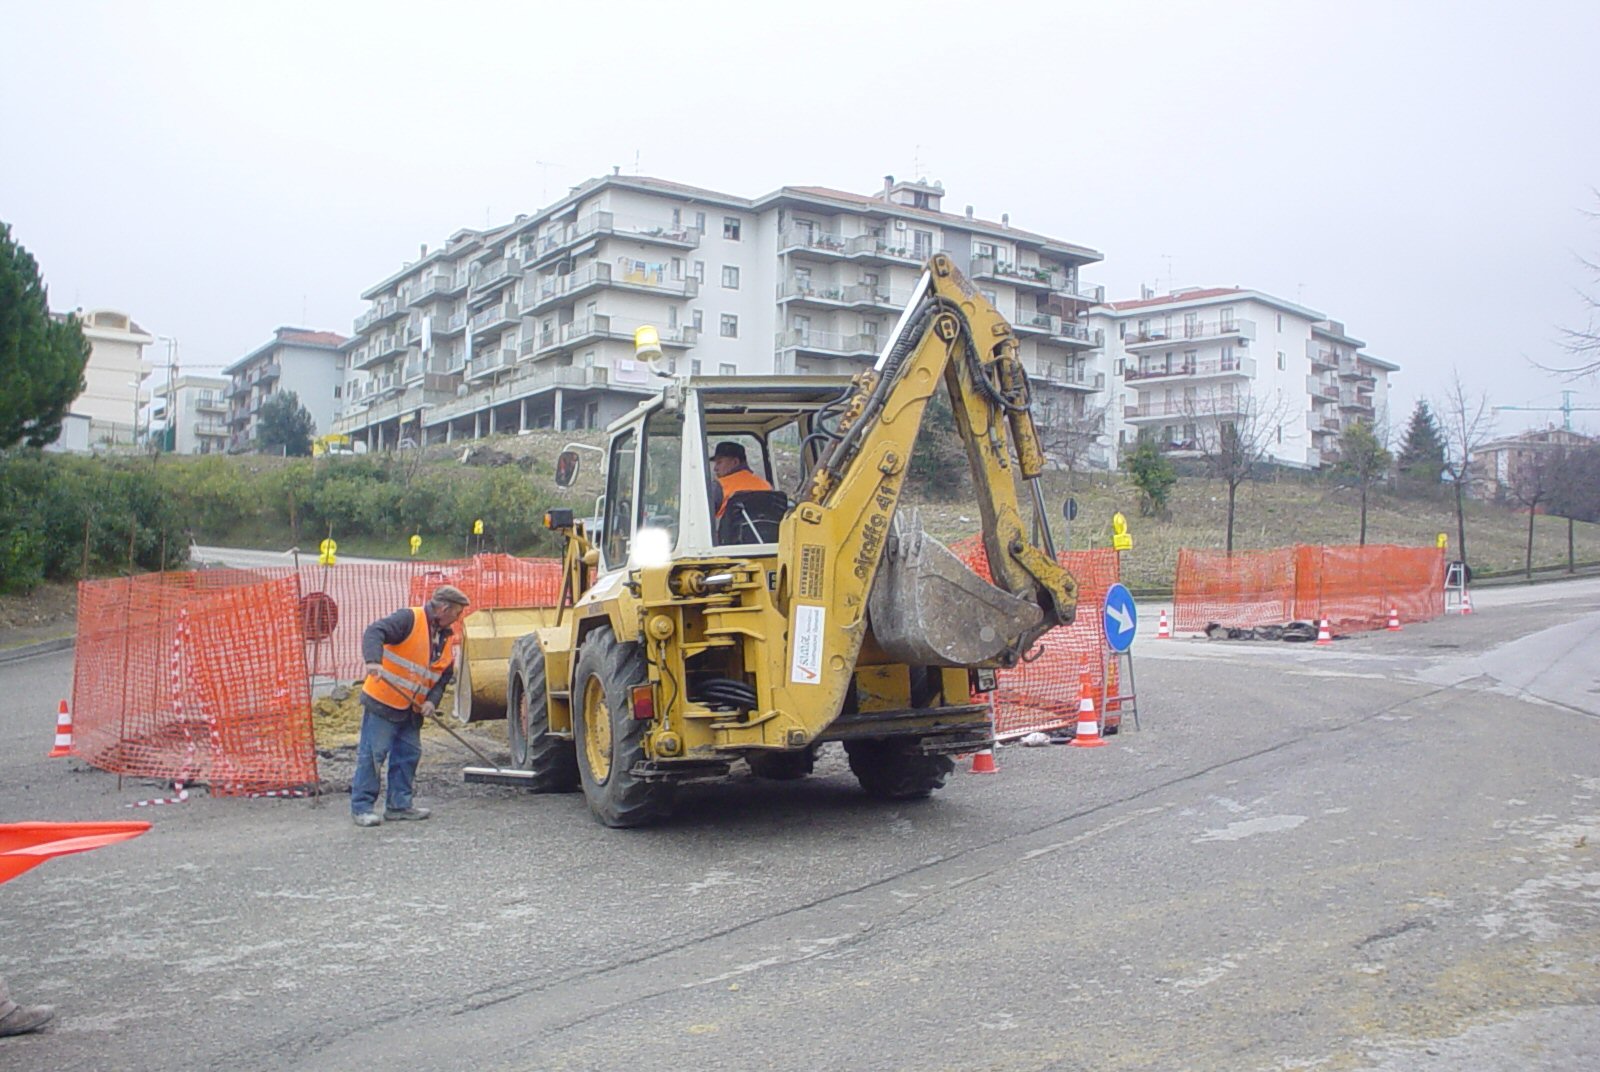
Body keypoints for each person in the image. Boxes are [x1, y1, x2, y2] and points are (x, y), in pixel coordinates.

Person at [351, 585, 471, 827]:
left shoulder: (444, 638)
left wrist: (431, 701)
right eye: (456, 613)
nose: (457, 619)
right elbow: (375, 631)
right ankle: (362, 808)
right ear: (444, 608)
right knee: (374, 755)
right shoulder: (409, 619)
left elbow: (443, 675)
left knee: (407, 756)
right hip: (384, 701)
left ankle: (399, 806)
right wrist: (373, 661)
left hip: (412, 708)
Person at [709, 441, 772, 519]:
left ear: (735, 462)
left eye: (719, 462)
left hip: (728, 531)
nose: (715, 468)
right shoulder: (766, 486)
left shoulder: (718, 487)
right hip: (764, 531)